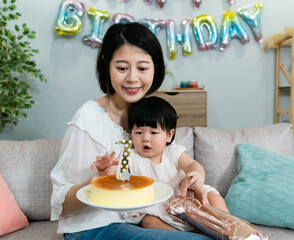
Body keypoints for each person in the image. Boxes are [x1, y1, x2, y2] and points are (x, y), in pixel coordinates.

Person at [50, 22, 212, 240]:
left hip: (139, 222)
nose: (133, 78)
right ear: (107, 66)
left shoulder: (150, 116)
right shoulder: (89, 117)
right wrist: (95, 182)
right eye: (122, 68)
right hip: (93, 227)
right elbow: (61, 206)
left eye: (143, 68)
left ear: (155, 67)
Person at [92, 96, 229, 232]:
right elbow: (119, 175)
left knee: (215, 198)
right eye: (138, 132)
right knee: (149, 221)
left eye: (153, 132)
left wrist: (196, 174)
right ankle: (191, 234)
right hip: (158, 207)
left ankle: (231, 229)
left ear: (169, 135)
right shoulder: (129, 155)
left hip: (185, 197)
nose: (145, 138)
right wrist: (106, 168)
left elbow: (191, 165)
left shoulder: (172, 152)